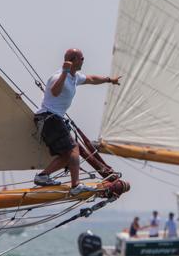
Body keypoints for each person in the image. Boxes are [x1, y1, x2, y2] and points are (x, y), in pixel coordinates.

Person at [33, 48, 121, 195]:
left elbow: (91, 79)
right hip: (49, 118)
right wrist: (64, 72)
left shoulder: (75, 77)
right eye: (81, 58)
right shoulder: (58, 77)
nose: (83, 60)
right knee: (74, 148)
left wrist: (109, 80)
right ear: (72, 60)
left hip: (54, 119)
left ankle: (42, 176)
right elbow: (54, 92)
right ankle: (75, 186)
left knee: (68, 155)